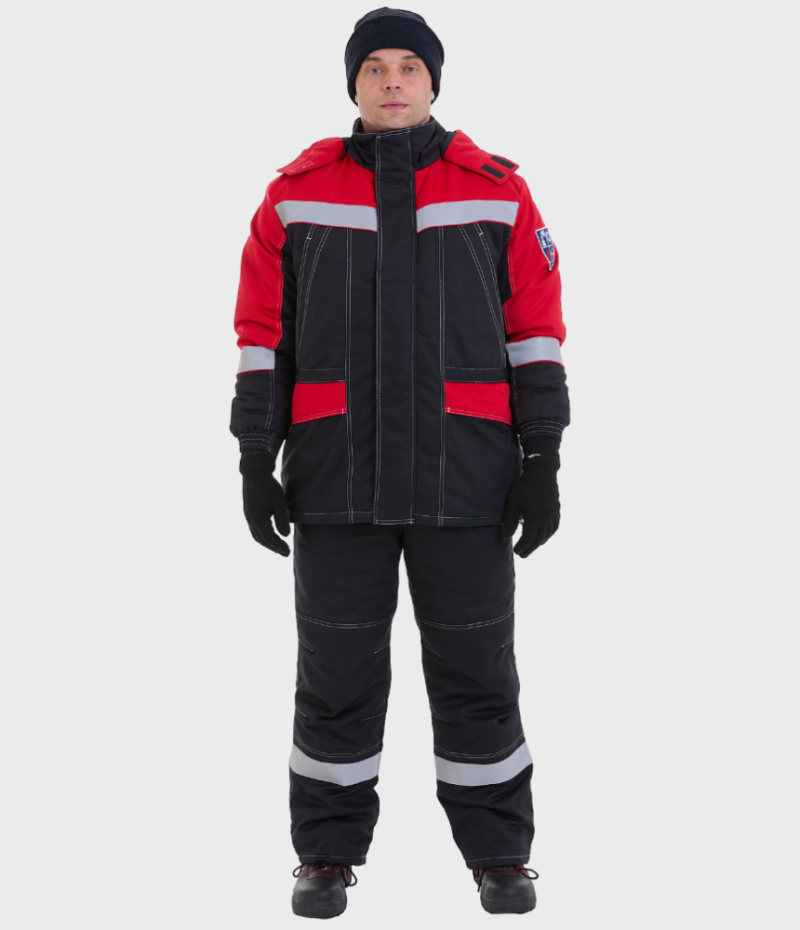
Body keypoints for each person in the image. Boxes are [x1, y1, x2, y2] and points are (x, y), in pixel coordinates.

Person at [229, 7, 570, 918]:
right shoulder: (294, 196)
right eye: (373, 66)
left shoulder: (499, 193)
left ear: (433, 81)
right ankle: (325, 855)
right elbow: (262, 337)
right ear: (353, 82)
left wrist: (543, 456)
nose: (391, 82)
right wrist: (254, 457)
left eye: (408, 67)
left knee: (478, 671)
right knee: (335, 676)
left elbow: (536, 334)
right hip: (336, 476)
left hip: (469, 475)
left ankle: (499, 855)